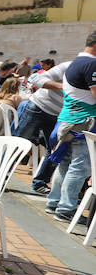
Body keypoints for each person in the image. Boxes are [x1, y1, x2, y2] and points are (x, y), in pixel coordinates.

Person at [46, 31, 96, 222]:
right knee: (80, 166)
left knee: (66, 163)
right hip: (83, 122)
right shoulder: (91, 64)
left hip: (68, 120)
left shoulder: (75, 63)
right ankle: (66, 208)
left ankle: (54, 202)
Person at [15, 58, 67, 193]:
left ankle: (40, 183)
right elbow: (37, 80)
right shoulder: (69, 67)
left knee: (55, 148)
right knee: (18, 143)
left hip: (59, 116)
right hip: (37, 107)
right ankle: (0, 175)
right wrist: (62, 86)